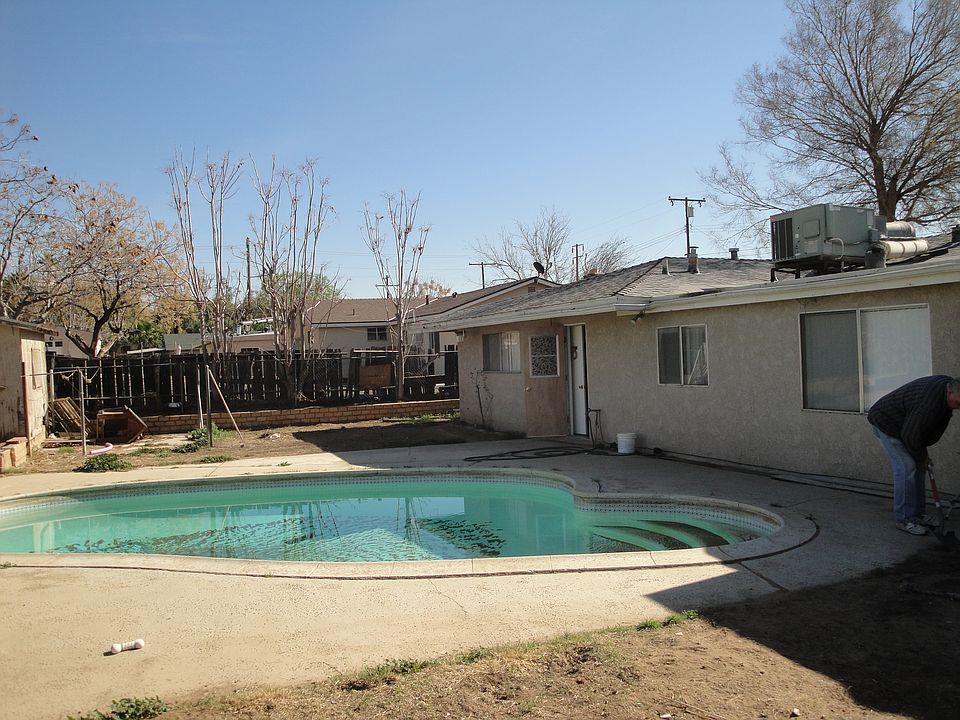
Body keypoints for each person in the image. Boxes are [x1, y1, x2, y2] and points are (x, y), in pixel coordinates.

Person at [868, 375, 960, 535]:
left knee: (920, 467)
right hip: (886, 422)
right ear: (949, 392)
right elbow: (911, 436)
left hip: (906, 426)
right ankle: (903, 519)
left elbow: (922, 431)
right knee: (906, 467)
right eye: (958, 402)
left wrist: (923, 456)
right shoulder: (929, 403)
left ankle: (917, 514)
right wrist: (923, 456)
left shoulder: (946, 393)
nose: (959, 406)